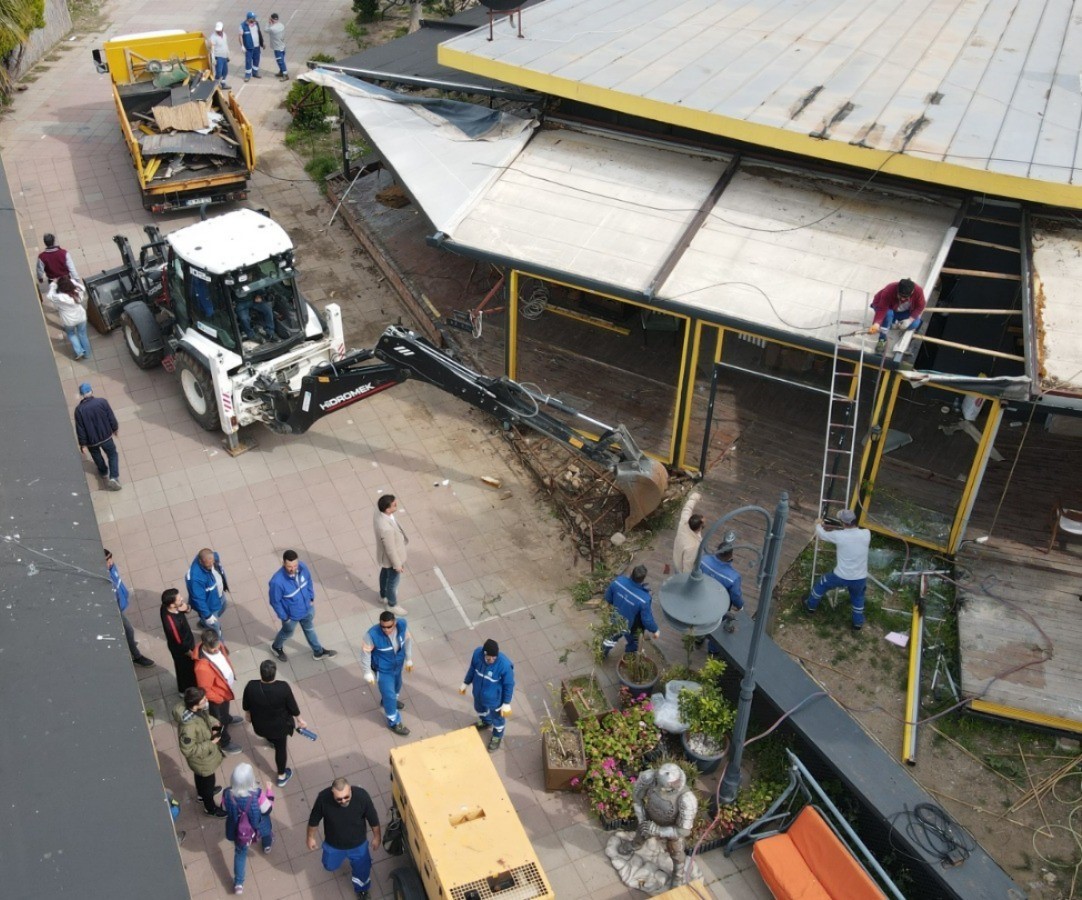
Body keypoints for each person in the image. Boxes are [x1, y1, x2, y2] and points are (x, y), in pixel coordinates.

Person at [617, 763, 698, 888]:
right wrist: (642, 820)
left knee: (676, 851)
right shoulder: (649, 777)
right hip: (650, 816)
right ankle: (634, 845)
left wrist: (659, 830)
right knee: (641, 832)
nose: (660, 789)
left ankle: (678, 874)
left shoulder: (686, 799)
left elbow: (684, 830)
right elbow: (637, 799)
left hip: (672, 827)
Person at [307, 777, 381, 900]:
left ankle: (362, 890)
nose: (343, 801)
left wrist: (377, 837)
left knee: (362, 870)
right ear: (332, 793)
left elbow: (373, 819)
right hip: (334, 844)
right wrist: (310, 837)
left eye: (346, 797)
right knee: (329, 866)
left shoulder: (362, 797)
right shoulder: (323, 799)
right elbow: (314, 820)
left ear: (350, 790)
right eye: (339, 799)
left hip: (358, 845)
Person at [242, 659, 307, 787]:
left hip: (260, 725)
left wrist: (248, 715)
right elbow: (292, 707)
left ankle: (270, 740)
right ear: (275, 673)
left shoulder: (251, 686)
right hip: (280, 727)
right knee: (280, 749)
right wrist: (300, 719)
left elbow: (246, 704)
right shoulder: (283, 687)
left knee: (270, 737)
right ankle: (281, 776)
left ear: (260, 672)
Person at [803, 509, 872, 631]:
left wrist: (818, 524)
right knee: (858, 597)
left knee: (821, 584)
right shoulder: (866, 533)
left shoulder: (839, 535)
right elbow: (852, 536)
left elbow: (822, 534)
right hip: (860, 577)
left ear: (843, 523)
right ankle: (857, 623)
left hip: (841, 576)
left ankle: (810, 606)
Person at [268, 550, 337, 661]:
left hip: (307, 609)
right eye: (290, 566)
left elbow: (309, 581)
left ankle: (318, 652)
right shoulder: (277, 582)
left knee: (309, 630)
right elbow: (275, 601)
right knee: (287, 633)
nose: (293, 569)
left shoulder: (303, 567)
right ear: (283, 563)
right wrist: (284, 617)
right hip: (291, 616)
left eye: (295, 565)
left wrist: (311, 597)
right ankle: (276, 647)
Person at [173, 686, 227, 818]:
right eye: (203, 699)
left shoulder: (196, 711)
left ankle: (201, 794)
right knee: (208, 781)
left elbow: (206, 719)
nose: (206, 700)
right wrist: (211, 743)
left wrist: (215, 725)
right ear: (195, 705)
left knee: (200, 777)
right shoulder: (188, 728)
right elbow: (188, 750)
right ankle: (210, 808)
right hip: (202, 760)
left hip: (202, 761)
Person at [223, 762, 274, 895]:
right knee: (267, 830)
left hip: (239, 831)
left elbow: (224, 808)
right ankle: (267, 846)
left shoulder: (227, 793)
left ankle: (239, 883)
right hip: (257, 825)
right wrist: (269, 791)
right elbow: (267, 809)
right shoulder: (257, 794)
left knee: (240, 854)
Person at [361, 611, 412, 735]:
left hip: (397, 665)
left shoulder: (402, 625)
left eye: (389, 627)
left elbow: (408, 640)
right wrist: (367, 671)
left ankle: (389, 702)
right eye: (383, 626)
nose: (386, 630)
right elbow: (365, 654)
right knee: (389, 694)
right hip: (383, 670)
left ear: (394, 623)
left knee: (397, 686)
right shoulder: (372, 635)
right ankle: (394, 722)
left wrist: (409, 658)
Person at [193, 630, 244, 754]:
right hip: (218, 697)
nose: (217, 650)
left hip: (224, 691)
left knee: (223, 714)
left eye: (218, 646)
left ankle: (227, 718)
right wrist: (219, 699)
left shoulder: (217, 645)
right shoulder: (201, 668)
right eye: (213, 649)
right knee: (218, 721)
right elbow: (205, 690)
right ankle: (224, 742)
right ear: (205, 644)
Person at [459, 639, 514, 752]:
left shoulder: (504, 665)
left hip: (495, 699)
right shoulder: (477, 655)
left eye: (495, 657)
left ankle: (497, 736)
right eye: (490, 657)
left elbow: (509, 684)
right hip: (478, 694)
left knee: (498, 718)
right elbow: (472, 670)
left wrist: (506, 703)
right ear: (484, 653)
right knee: (479, 709)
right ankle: (486, 721)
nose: (492, 660)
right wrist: (466, 682)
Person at [105, 549, 154, 668]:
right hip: (114, 610)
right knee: (128, 630)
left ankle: (129, 643)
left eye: (111, 558)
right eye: (107, 561)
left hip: (120, 604)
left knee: (126, 631)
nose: (111, 562)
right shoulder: (105, 577)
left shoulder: (111, 568)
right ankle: (136, 656)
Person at [601, 565, 660, 658]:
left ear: (631, 573)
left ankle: (602, 653)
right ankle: (630, 655)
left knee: (610, 638)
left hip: (615, 619)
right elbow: (647, 620)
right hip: (630, 625)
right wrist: (655, 630)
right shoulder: (644, 598)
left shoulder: (618, 582)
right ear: (643, 579)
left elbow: (608, 598)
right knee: (635, 640)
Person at [73, 382, 121, 491]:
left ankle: (103, 471)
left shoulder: (79, 410)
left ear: (81, 394)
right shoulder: (102, 402)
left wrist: (83, 444)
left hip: (91, 441)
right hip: (106, 437)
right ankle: (114, 478)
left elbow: (80, 428)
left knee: (96, 456)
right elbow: (111, 417)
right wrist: (115, 428)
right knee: (112, 455)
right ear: (91, 391)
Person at [701, 530, 743, 640]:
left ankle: (698, 638)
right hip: (719, 605)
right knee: (717, 627)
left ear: (717, 551)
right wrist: (740, 606)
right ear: (731, 556)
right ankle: (712, 650)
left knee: (700, 620)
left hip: (701, 597)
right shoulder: (733, 577)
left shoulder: (703, 560)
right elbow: (735, 595)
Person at [868, 278, 926, 354]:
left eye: (905, 297)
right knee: (887, 315)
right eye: (900, 295)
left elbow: (920, 307)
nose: (902, 298)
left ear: (912, 292)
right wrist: (876, 323)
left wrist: (910, 320)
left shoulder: (918, 291)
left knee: (915, 324)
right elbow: (882, 309)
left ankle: (892, 325)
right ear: (897, 289)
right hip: (886, 308)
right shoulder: (889, 289)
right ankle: (882, 339)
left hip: (901, 311)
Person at [372, 494, 408, 612]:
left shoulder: (379, 513)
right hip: (392, 559)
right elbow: (390, 549)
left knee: (384, 574)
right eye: (394, 505)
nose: (396, 505)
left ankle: (383, 595)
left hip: (385, 558)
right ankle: (392, 604)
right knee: (393, 583)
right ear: (387, 509)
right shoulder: (386, 528)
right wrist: (397, 565)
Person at [161, 588, 198, 693]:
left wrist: (185, 607)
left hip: (184, 643)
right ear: (172, 605)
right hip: (182, 650)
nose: (182, 598)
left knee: (184, 670)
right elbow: (180, 642)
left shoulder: (165, 607)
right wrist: (190, 653)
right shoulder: (172, 624)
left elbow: (187, 608)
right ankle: (186, 690)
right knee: (186, 671)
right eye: (178, 599)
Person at [186, 548, 229, 637]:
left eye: (212, 562)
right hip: (210, 606)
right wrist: (208, 616)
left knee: (223, 607)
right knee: (216, 629)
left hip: (218, 596)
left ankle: (203, 622)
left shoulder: (213, 557)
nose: (211, 566)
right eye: (208, 566)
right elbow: (198, 599)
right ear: (201, 562)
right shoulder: (196, 579)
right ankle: (220, 646)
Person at [47, 274, 90, 360]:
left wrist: (53, 284)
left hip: (68, 320)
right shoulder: (78, 291)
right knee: (83, 334)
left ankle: (79, 351)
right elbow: (81, 287)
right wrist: (72, 281)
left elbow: (49, 296)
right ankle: (87, 354)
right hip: (81, 317)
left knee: (71, 334)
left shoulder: (60, 297)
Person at [36, 233, 80, 297]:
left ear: (45, 243)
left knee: (58, 297)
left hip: (53, 281)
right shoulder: (64, 253)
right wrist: (77, 280)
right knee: (71, 295)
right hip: (66, 280)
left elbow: (39, 270)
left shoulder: (42, 257)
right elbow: (72, 268)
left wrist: (40, 278)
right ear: (54, 241)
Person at [672, 490, 703, 573]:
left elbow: (687, 508)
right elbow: (687, 565)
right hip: (681, 570)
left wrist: (695, 497)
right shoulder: (693, 546)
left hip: (676, 558)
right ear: (699, 528)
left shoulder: (684, 522)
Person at [239, 12, 264, 81]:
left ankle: (255, 73)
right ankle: (247, 75)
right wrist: (242, 46)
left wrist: (262, 43)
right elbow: (240, 36)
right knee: (248, 61)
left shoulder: (256, 24)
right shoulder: (243, 26)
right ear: (249, 19)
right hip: (249, 47)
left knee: (256, 60)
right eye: (253, 18)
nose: (255, 19)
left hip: (257, 46)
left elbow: (259, 33)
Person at [209, 22, 230, 89]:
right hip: (218, 57)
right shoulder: (213, 37)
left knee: (225, 71)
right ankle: (215, 84)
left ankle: (223, 83)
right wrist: (213, 58)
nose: (218, 31)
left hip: (224, 56)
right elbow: (211, 49)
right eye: (217, 30)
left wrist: (227, 55)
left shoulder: (224, 35)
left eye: (219, 30)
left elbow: (225, 45)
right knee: (219, 72)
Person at [267, 13, 288, 79]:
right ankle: (281, 71)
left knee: (280, 61)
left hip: (277, 48)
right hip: (282, 46)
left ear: (272, 19)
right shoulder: (281, 25)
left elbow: (266, 29)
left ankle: (285, 74)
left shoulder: (272, 28)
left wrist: (268, 23)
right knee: (281, 60)